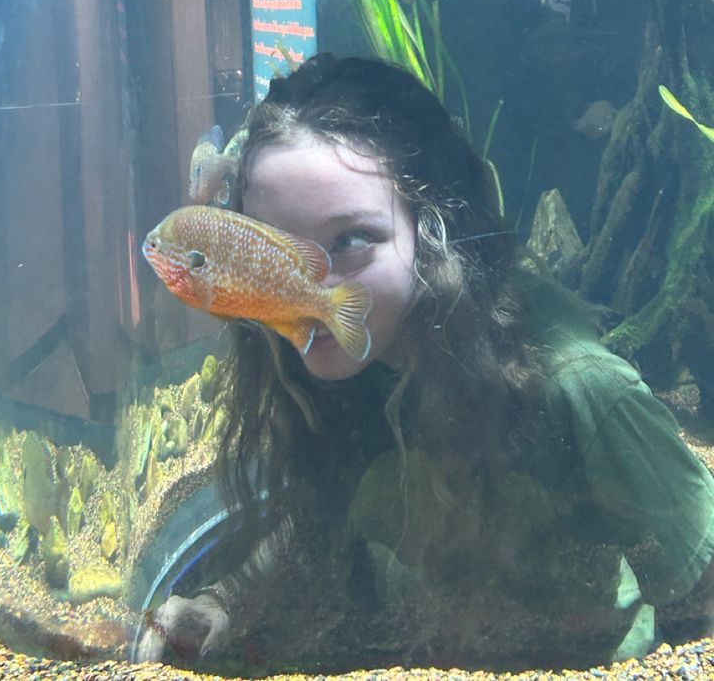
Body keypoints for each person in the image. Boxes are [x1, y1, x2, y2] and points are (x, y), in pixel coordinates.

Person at [137, 54, 714, 673]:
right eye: (268, 253)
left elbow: (699, 593)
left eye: (350, 241)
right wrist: (230, 598)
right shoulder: (346, 363)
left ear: (431, 231)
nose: (293, 283)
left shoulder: (580, 389)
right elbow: (325, 510)